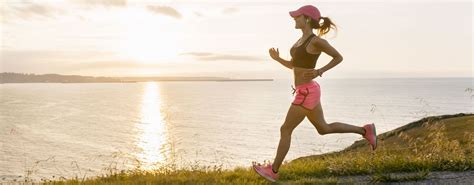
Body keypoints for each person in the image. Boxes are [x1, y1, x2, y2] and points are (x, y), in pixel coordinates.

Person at [252, 5, 377, 182]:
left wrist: (319, 71)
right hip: (306, 90)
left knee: (285, 129)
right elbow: (294, 65)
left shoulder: (315, 41)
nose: (294, 19)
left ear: (308, 19)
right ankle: (365, 131)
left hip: (306, 92)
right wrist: (278, 59)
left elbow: (338, 57)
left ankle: (273, 171)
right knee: (323, 128)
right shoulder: (300, 41)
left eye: (297, 17)